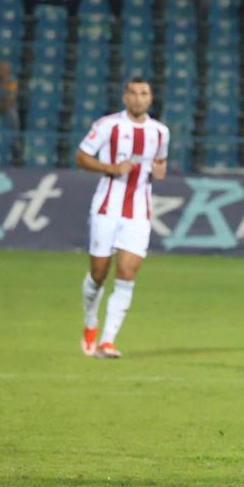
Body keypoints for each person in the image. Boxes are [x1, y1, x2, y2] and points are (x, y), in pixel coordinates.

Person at [76, 78, 170, 359]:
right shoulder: (108, 125)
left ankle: (107, 341)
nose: (139, 98)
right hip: (107, 207)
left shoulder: (160, 132)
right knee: (98, 273)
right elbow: (81, 157)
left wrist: (160, 171)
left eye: (144, 93)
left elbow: (161, 165)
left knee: (127, 274)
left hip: (139, 212)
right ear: (125, 97)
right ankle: (90, 323)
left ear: (150, 99)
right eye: (133, 93)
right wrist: (111, 167)